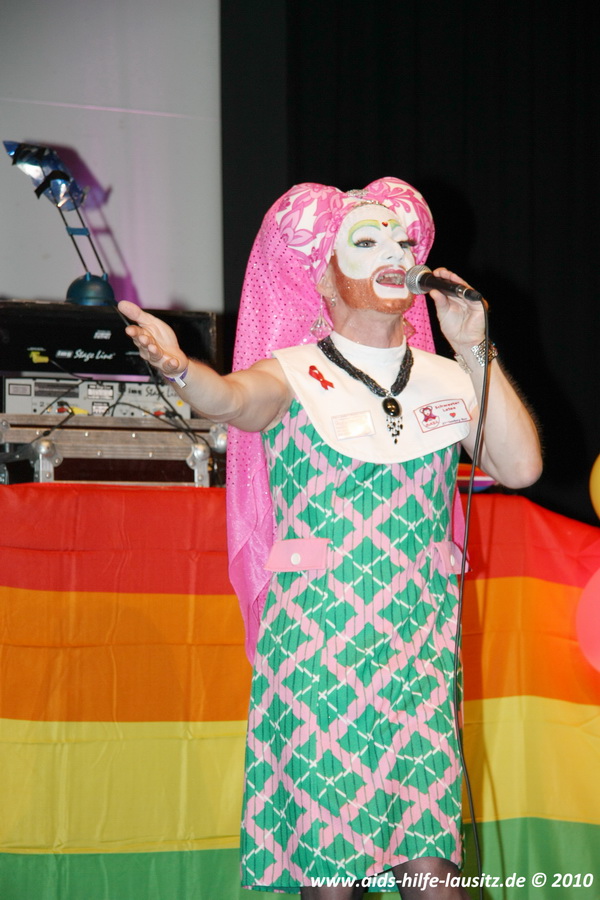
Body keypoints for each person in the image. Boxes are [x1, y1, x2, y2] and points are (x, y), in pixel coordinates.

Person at [118, 178, 542, 899]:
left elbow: (522, 466)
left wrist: (475, 347)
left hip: (418, 656)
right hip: (319, 655)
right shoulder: (292, 371)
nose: (394, 253)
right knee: (332, 877)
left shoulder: (447, 376)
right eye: (367, 241)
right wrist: (181, 368)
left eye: (401, 241)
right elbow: (229, 400)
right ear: (323, 277)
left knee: (436, 877)